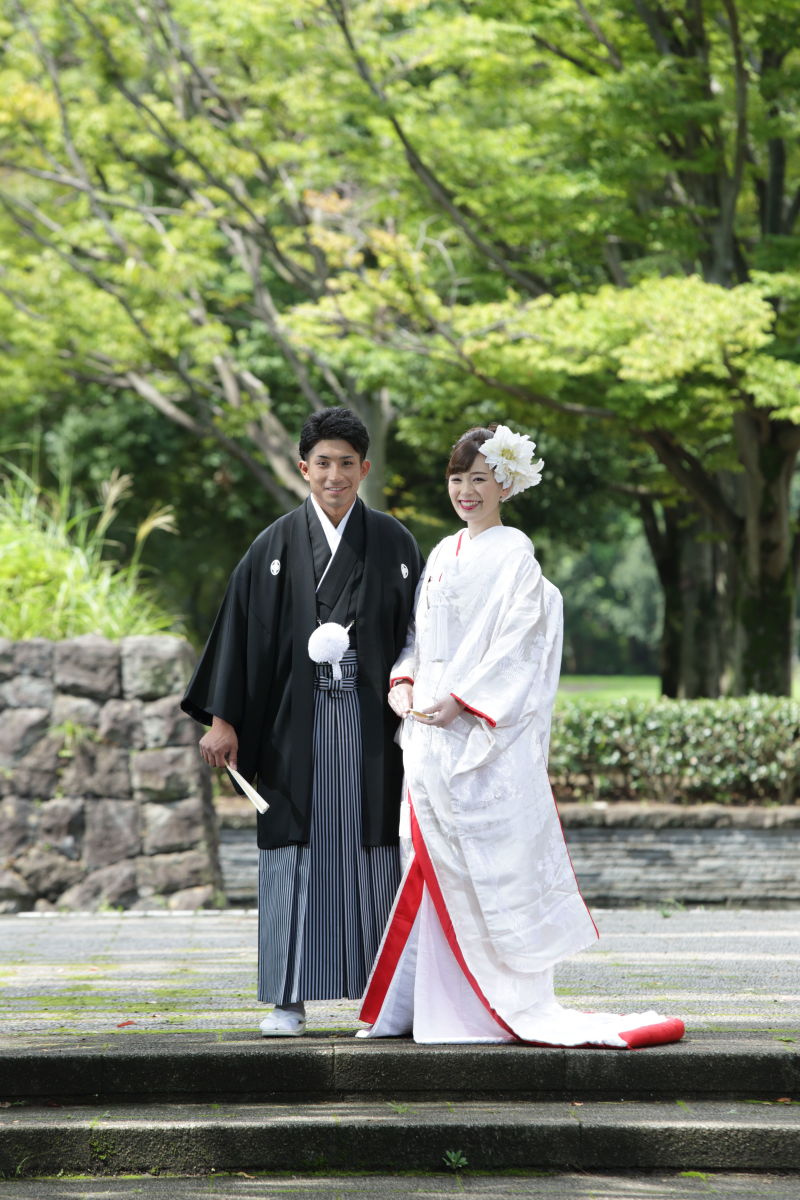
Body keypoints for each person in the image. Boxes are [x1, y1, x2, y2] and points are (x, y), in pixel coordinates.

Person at [358, 425, 684, 1048]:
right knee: (423, 863)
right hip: (428, 732)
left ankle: (482, 1009)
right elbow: (417, 640)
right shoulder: (441, 553)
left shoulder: (515, 555)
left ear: (504, 483)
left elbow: (519, 646)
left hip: (481, 737)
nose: (466, 491)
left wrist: (463, 700)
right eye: (457, 479)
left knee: (489, 868)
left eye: (479, 478)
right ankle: (425, 1007)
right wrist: (403, 681)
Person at [182, 407, 423, 1037]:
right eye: (323, 463)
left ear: (365, 469)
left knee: (374, 854)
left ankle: (383, 999)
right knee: (294, 855)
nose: (335, 475)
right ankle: (289, 1000)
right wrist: (223, 720)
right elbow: (240, 636)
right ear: (303, 469)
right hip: (295, 731)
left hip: (374, 730)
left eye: (347, 463)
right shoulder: (274, 546)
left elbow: (424, 638)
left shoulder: (396, 544)